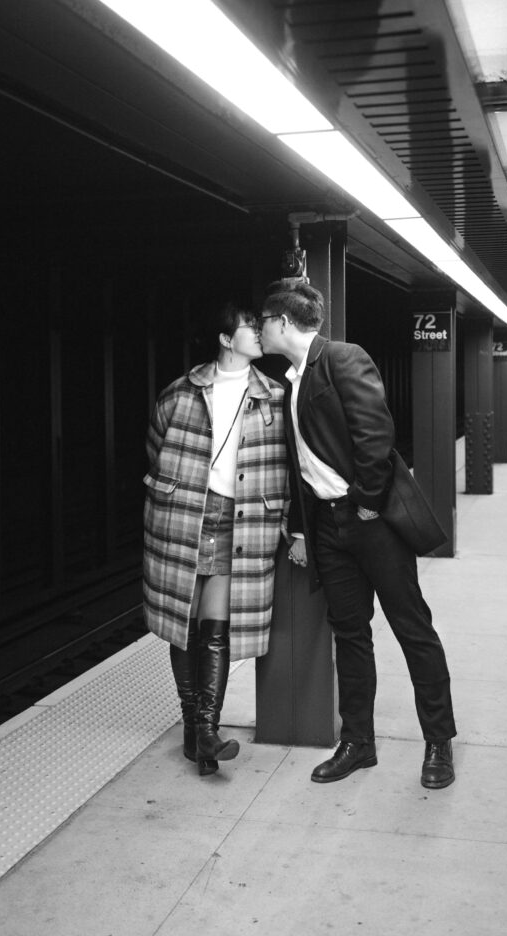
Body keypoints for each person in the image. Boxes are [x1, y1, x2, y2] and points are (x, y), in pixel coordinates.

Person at [259, 280, 456, 789]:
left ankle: (438, 742)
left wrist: (367, 506)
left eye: (263, 321)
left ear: (282, 322)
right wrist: (304, 529)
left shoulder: (344, 359)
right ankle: (358, 743)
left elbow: (376, 436)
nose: (260, 330)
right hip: (327, 527)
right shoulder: (293, 379)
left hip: (372, 525)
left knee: (413, 629)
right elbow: (301, 464)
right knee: (350, 634)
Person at [143, 303, 288, 776]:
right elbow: (157, 447)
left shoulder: (273, 397)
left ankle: (206, 729)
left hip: (238, 522)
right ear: (227, 340)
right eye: (250, 328)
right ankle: (196, 732)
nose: (259, 335)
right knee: (183, 624)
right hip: (186, 516)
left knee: (216, 628)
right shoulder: (180, 393)